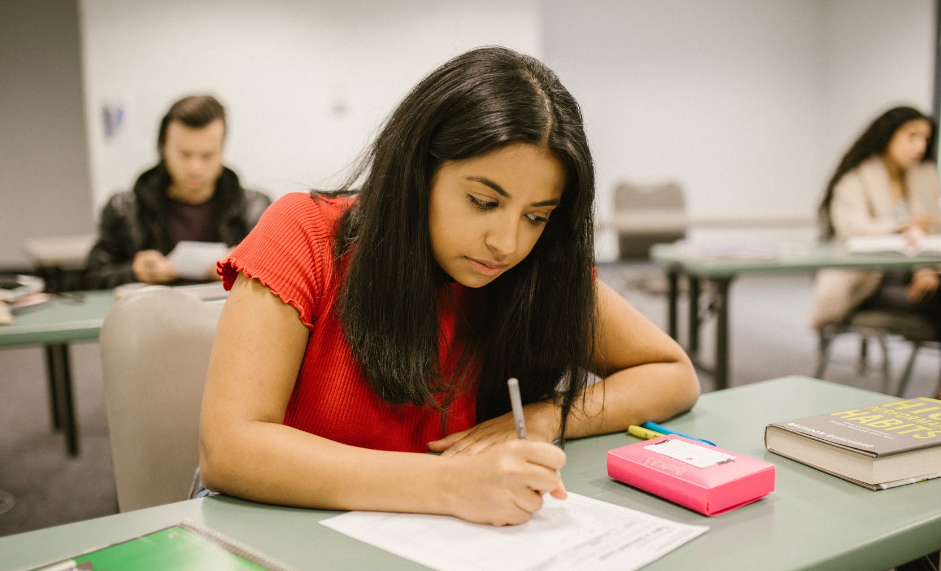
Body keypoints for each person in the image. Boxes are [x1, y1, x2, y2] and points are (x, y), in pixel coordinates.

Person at [198, 47, 700, 526]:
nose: (506, 243)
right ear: (418, 170)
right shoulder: (305, 233)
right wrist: (448, 483)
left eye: (536, 216)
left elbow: (672, 374)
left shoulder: (538, 271)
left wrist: (547, 418)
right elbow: (230, 449)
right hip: (283, 535)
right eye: (483, 201)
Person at [84, 95, 271, 288]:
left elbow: (281, 279)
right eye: (184, 154)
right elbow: (92, 278)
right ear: (164, 147)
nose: (195, 168)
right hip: (152, 316)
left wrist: (242, 267)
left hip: (227, 316)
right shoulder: (125, 209)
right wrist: (134, 272)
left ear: (222, 149)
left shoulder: (255, 209)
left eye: (207, 155)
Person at [809, 106, 941, 331]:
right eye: (912, 136)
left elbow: (933, 233)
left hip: (918, 277)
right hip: (868, 284)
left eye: (925, 139)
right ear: (888, 135)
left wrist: (928, 271)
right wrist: (903, 225)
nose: (920, 146)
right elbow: (852, 229)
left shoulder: (925, 175)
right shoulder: (856, 178)